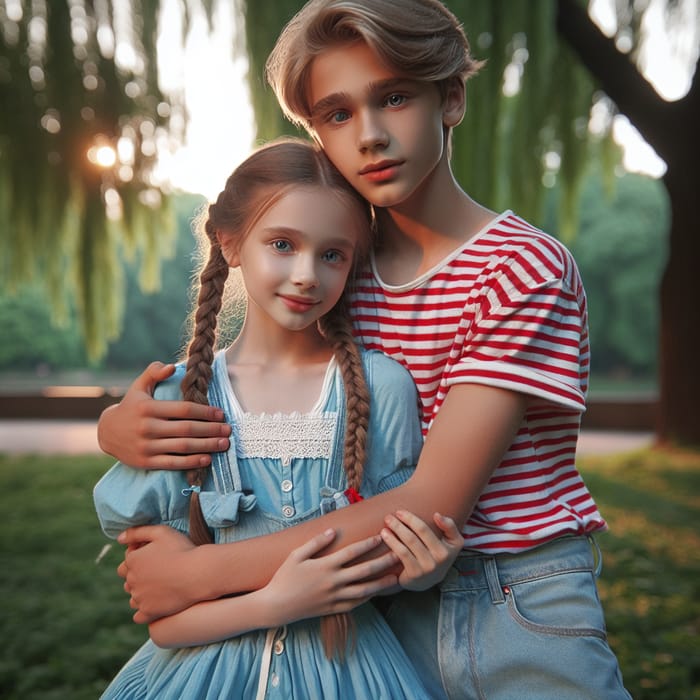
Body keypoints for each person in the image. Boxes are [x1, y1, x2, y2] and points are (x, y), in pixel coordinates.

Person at [98, 1, 632, 697]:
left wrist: (199, 575)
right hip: (371, 611)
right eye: (337, 114)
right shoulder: (338, 269)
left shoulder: (519, 270)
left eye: (395, 98)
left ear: (453, 98)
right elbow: (261, 386)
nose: (371, 136)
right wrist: (122, 429)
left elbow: (431, 499)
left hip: (510, 604)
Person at [94, 137, 463, 699]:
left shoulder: (380, 387)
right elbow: (163, 620)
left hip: (352, 673)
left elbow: (391, 563)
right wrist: (277, 603)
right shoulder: (177, 400)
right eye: (283, 244)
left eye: (332, 254)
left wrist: (424, 570)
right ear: (232, 242)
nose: (307, 274)